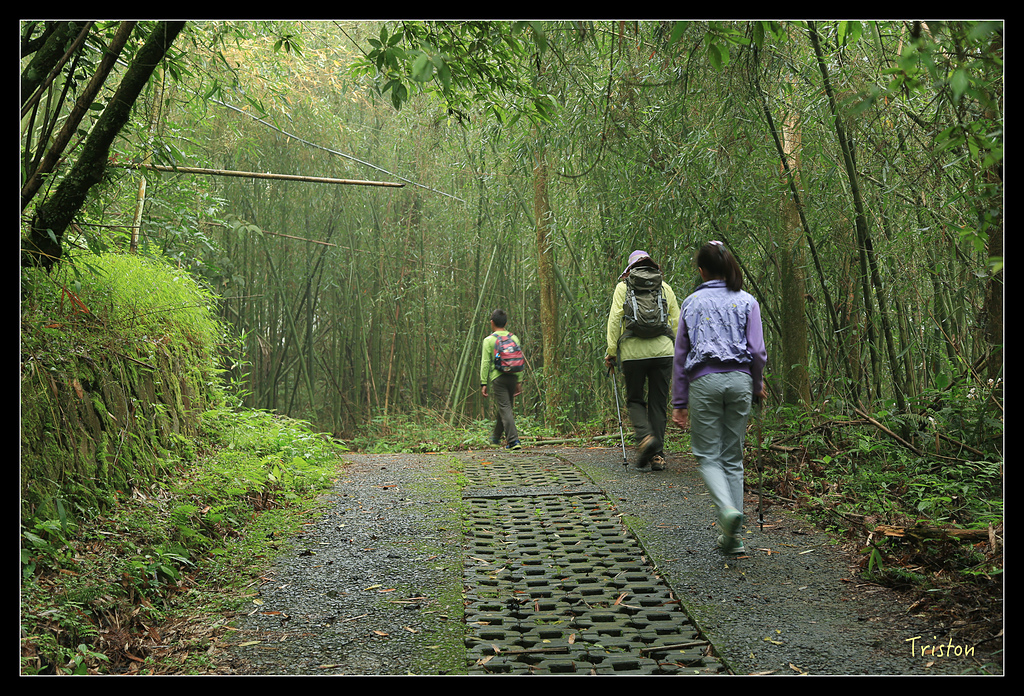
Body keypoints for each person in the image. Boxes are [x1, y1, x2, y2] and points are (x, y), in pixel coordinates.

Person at [672, 240, 768, 555]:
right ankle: (734, 538)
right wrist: (756, 384)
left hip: (705, 382)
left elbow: (681, 356)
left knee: (707, 455)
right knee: (733, 457)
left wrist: (680, 402)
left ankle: (727, 511)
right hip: (741, 381)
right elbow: (757, 351)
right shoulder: (747, 301)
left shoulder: (691, 303)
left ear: (701, 271)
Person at [605, 250, 680, 470]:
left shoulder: (623, 287)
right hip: (664, 352)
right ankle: (657, 456)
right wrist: (677, 347)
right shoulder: (664, 287)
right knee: (658, 403)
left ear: (630, 269)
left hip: (632, 353)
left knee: (635, 400)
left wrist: (611, 351)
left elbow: (615, 320)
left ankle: (646, 438)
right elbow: (676, 321)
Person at [481, 308, 524, 450]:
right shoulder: (514, 338)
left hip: (498, 378)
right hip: (513, 377)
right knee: (505, 406)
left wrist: (483, 382)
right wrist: (519, 381)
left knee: (505, 407)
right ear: (505, 323)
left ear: (492, 323)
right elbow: (519, 359)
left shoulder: (489, 340)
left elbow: (485, 363)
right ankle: (495, 438)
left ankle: (513, 441)